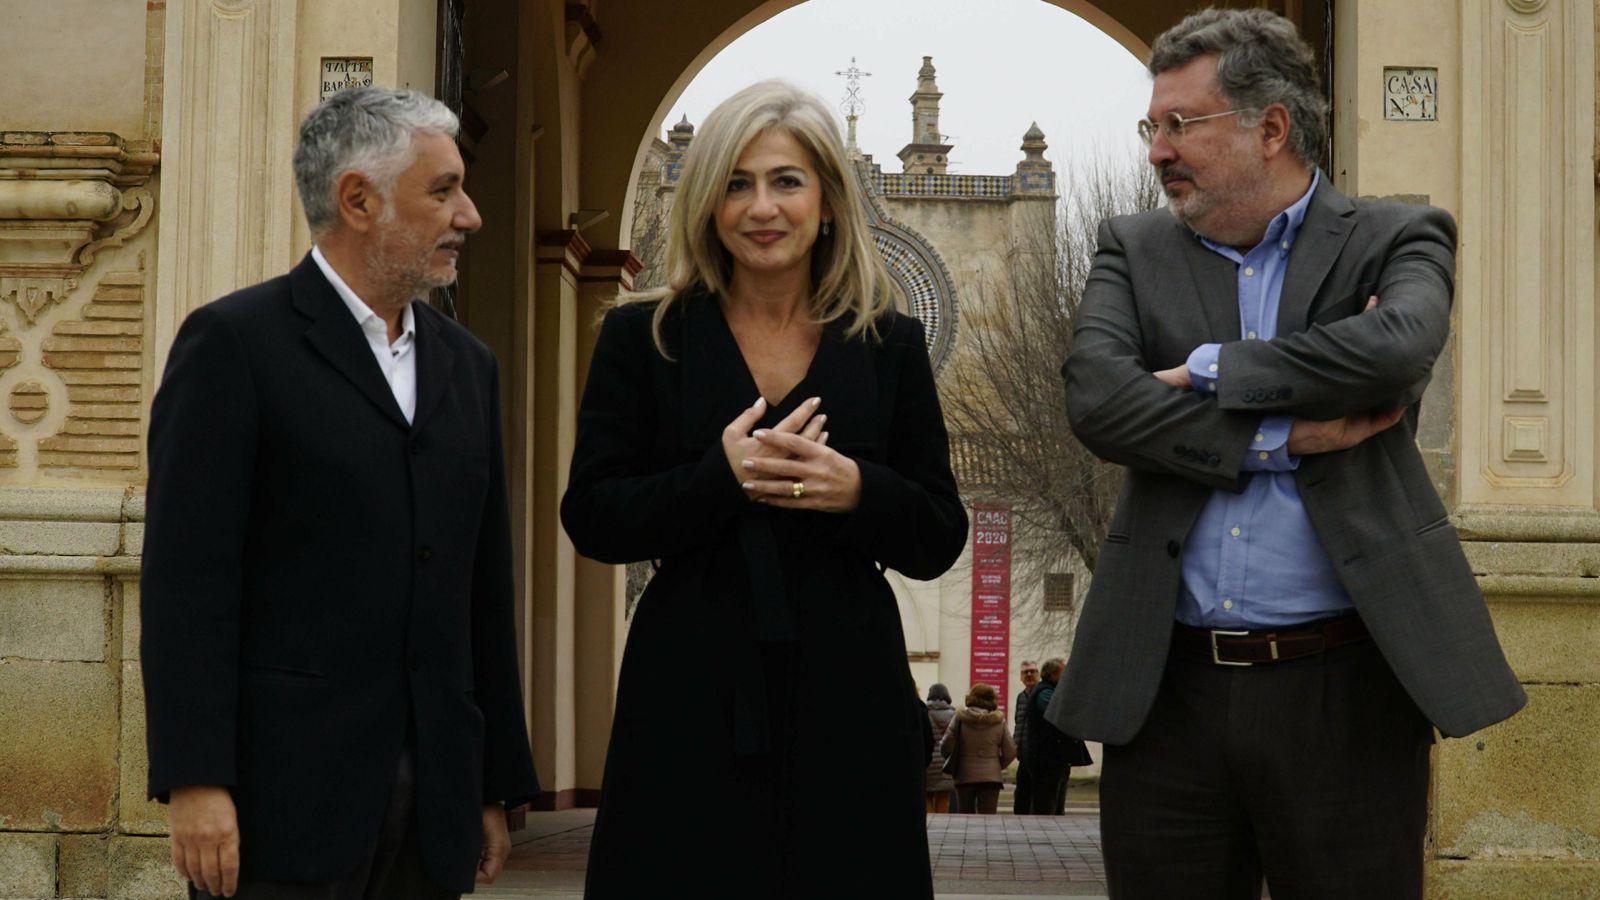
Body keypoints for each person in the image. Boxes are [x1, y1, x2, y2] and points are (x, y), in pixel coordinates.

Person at [1049, 9, 1525, 898]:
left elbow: (1397, 350)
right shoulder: (1131, 248)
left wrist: (1209, 370)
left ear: (1270, 128)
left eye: (1180, 125)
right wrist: (1280, 434)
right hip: (1166, 692)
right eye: (1151, 127)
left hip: (1345, 689)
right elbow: (1098, 404)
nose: (1158, 150)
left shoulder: (1396, 234)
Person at [559, 80, 967, 898]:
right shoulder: (646, 337)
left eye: (786, 181)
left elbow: (938, 532)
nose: (761, 207)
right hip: (689, 685)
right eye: (736, 184)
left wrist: (859, 491)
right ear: (708, 204)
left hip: (849, 689)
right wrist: (719, 480)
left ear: (828, 203)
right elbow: (594, 515)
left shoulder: (890, 342)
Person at [139, 87, 540, 899]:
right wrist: (196, 780)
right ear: (358, 198)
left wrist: (493, 785)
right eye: (444, 189)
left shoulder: (470, 368)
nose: (470, 215)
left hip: (434, 803)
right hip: (281, 802)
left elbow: (482, 589)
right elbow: (188, 583)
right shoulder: (234, 345)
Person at [1024, 658, 1089, 816]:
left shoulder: (1050, 690)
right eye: (1064, 672)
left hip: (1054, 757)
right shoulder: (1045, 693)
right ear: (1053, 674)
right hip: (1048, 758)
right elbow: (1061, 715)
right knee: (1047, 804)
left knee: (1055, 802)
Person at [939, 683, 1016, 815]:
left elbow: (946, 744)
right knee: (988, 818)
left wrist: (952, 758)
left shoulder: (960, 718)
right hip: (991, 778)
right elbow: (1011, 751)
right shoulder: (999, 721)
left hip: (964, 775)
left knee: (966, 817)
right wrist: (997, 765)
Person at [1010, 660, 1039, 814]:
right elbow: (1018, 723)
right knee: (1021, 793)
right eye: (1025, 672)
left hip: (1038, 754)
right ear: (1021, 677)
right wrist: (1016, 746)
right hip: (1023, 754)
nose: (1029, 675)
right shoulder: (1021, 697)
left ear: (1038, 674)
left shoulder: (1042, 693)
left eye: (1032, 671)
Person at [924, 683, 957, 813]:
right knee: (944, 796)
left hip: (929, 761)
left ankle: (931, 825)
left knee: (927, 795)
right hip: (946, 761)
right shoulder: (954, 715)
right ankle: (942, 825)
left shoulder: (924, 713)